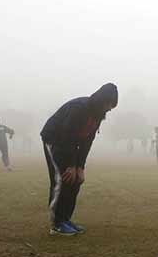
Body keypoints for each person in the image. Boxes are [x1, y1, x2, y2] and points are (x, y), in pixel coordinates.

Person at [41, 83, 118, 236]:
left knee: (76, 179)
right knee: (62, 179)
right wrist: (70, 165)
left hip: (70, 145)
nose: (109, 109)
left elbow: (87, 141)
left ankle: (65, 219)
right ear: (101, 100)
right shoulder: (79, 108)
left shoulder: (97, 116)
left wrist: (80, 167)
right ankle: (56, 224)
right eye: (109, 104)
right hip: (55, 140)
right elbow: (67, 135)